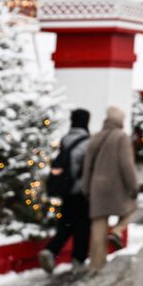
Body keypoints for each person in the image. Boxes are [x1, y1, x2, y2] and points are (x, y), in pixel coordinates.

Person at [81, 105, 139, 272]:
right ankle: (118, 230)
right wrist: (133, 186)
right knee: (131, 208)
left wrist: (86, 187)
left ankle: (96, 265)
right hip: (115, 188)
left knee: (98, 225)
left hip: (96, 188)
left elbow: (88, 166)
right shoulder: (121, 137)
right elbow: (126, 165)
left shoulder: (96, 137)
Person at [39, 108, 91, 274]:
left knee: (66, 224)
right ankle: (78, 260)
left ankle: (51, 250)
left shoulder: (65, 139)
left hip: (65, 190)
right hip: (80, 192)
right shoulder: (87, 143)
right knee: (82, 226)